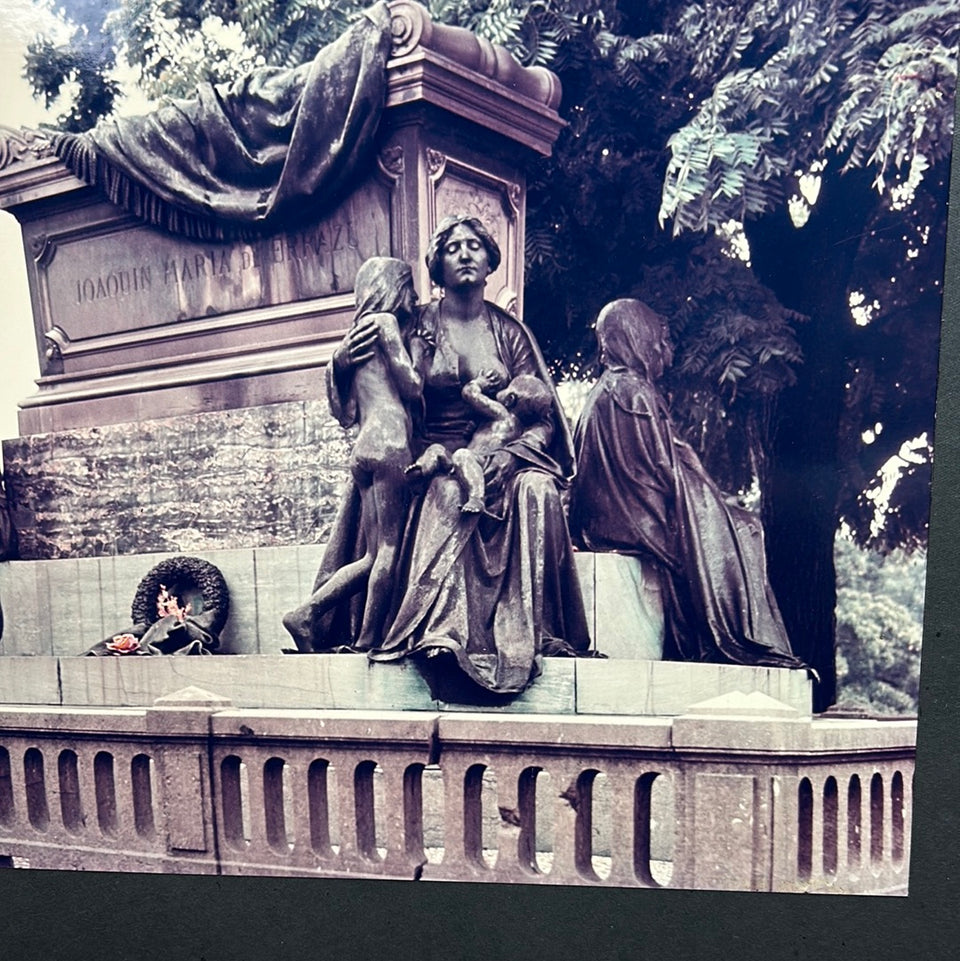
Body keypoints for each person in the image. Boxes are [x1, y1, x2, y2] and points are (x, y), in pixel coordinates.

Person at [300, 215, 590, 694]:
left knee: (537, 488)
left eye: (475, 245)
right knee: (443, 493)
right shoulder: (415, 323)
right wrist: (338, 362)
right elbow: (362, 397)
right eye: (453, 247)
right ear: (436, 266)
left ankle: (529, 629)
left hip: (505, 454)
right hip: (424, 452)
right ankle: (438, 632)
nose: (465, 253)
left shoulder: (510, 335)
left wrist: (514, 456)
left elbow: (543, 419)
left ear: (490, 259)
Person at [570, 298, 807, 671]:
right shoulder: (633, 391)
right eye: (658, 340)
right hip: (632, 521)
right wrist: (710, 500)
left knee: (731, 522)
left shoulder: (605, 391)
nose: (665, 350)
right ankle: (737, 639)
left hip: (613, 516)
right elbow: (667, 469)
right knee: (744, 530)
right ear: (636, 336)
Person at [283, 257, 421, 652]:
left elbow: (345, 409)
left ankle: (306, 613)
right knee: (389, 552)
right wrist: (424, 364)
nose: (413, 297)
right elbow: (410, 385)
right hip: (390, 443)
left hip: (362, 448)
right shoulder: (386, 323)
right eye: (408, 287)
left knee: (371, 555)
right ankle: (367, 640)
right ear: (392, 289)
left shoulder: (356, 334)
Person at [406, 370, 555, 515]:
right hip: (469, 462)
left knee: (461, 455)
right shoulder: (518, 429)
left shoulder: (501, 413)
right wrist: (473, 431)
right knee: (437, 450)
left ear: (510, 399)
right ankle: (420, 469)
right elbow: (490, 437)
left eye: (506, 388)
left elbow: (469, 394)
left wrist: (479, 383)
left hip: (480, 462)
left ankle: (476, 497)